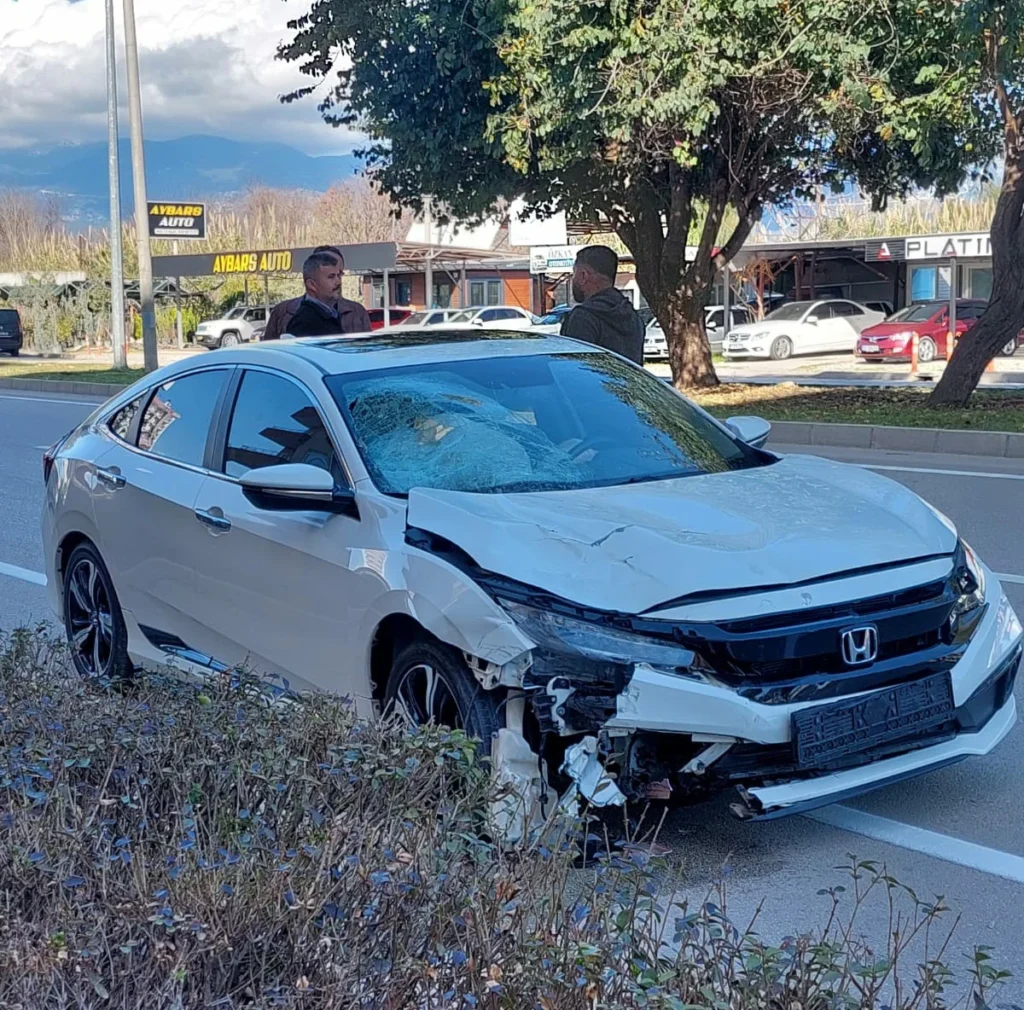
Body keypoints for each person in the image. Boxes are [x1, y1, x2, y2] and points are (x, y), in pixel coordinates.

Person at [262, 245, 371, 339]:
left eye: (339, 274)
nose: (338, 281)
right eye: (331, 276)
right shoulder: (285, 312)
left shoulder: (357, 312)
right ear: (312, 283)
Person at [560, 245, 644, 364]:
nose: (573, 279)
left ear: (583, 276)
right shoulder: (632, 315)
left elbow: (574, 369)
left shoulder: (583, 317)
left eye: (574, 273)